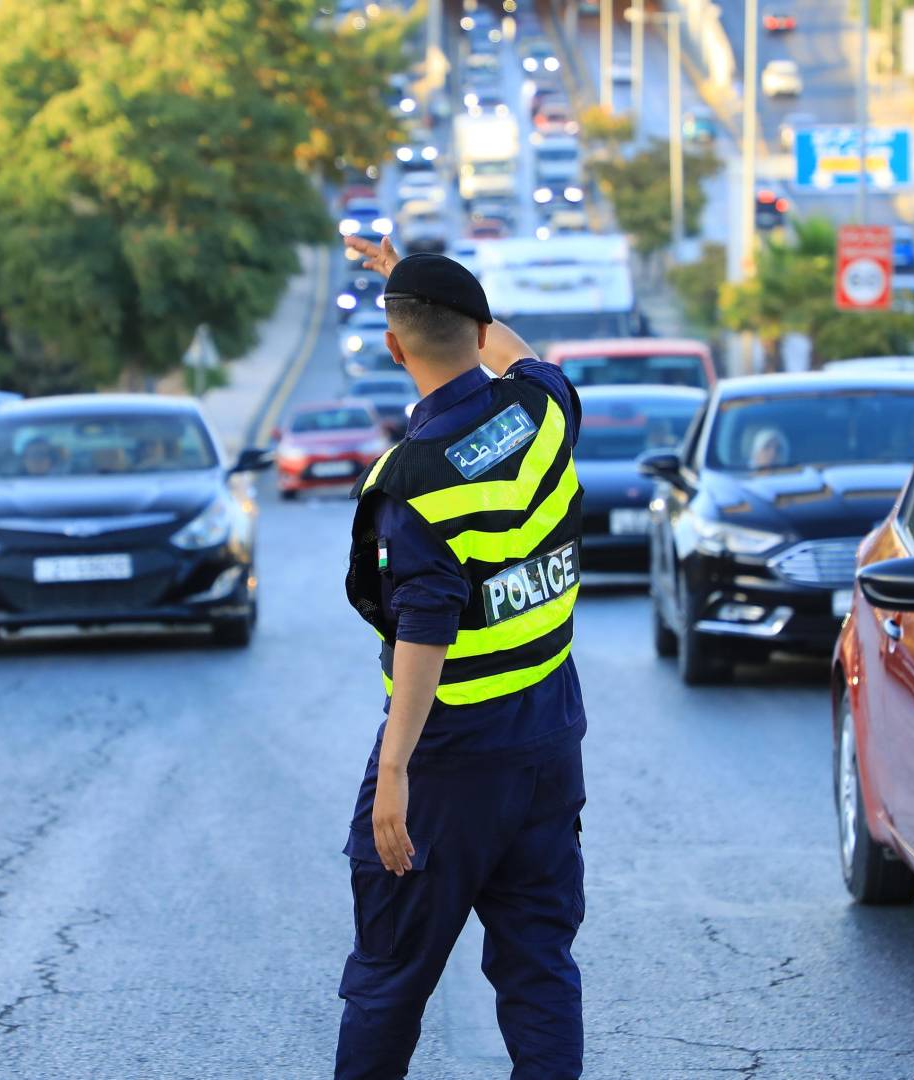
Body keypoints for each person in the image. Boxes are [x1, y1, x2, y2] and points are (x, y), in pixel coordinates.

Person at [336, 236, 587, 1080]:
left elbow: (425, 630)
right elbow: (520, 355)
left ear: (393, 348)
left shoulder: (410, 481)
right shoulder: (543, 412)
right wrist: (415, 277)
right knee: (539, 966)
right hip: (548, 738)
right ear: (478, 334)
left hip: (446, 760)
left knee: (389, 976)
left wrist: (394, 771)